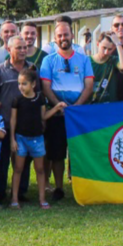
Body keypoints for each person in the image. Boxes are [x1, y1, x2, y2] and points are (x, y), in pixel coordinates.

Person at [39, 20, 94, 202]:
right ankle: (59, 188)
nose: (63, 38)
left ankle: (82, 185)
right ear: (55, 39)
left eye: (66, 34)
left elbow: (88, 85)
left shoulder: (84, 59)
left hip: (79, 114)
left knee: (80, 151)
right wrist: (57, 105)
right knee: (57, 153)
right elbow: (46, 86)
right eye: (59, 35)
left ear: (72, 36)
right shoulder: (48, 60)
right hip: (57, 113)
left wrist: (77, 106)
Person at [10, 69, 64, 209]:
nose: (21, 87)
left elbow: (43, 117)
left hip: (37, 139)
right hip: (21, 138)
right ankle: (14, 199)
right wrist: (12, 139)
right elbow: (13, 120)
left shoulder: (40, 99)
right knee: (18, 168)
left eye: (24, 84)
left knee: (40, 169)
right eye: (19, 83)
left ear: (33, 84)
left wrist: (57, 107)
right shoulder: (17, 100)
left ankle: (42, 199)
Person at [0, 36, 28, 202]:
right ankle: (0, 192)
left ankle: (21, 192)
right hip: (4, 123)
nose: (23, 51)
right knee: (2, 160)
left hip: (25, 123)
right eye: (18, 48)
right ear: (9, 50)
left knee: (23, 161)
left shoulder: (32, 69)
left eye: (25, 48)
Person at [89, 32, 123, 104]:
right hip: (91, 104)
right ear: (98, 44)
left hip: (109, 104)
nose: (106, 52)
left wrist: (118, 44)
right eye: (104, 48)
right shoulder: (87, 61)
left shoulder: (113, 60)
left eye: (109, 49)